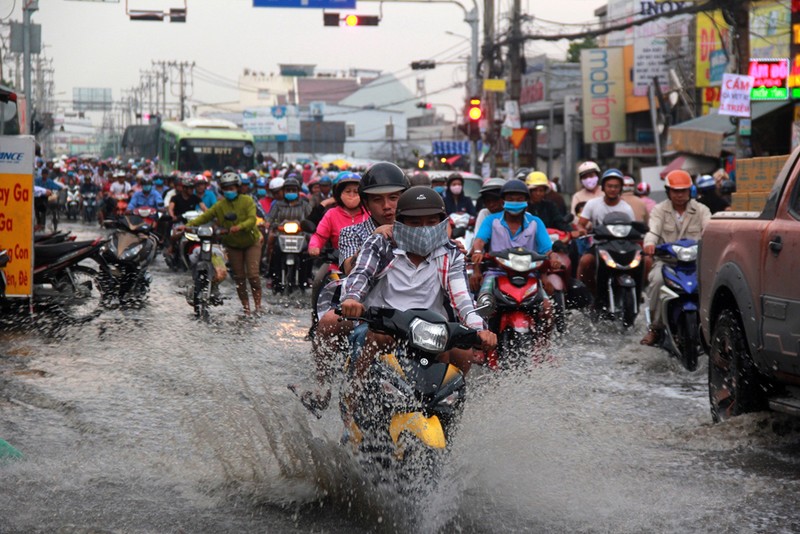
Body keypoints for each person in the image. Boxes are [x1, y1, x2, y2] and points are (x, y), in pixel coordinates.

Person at [339, 186, 497, 420]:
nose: (424, 229)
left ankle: (445, 415)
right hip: (382, 326)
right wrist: (352, 299)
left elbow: (462, 298)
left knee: (461, 354)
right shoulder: (381, 244)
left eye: (431, 222)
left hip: (430, 330)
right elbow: (361, 273)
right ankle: (353, 401)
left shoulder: (450, 252)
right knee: (379, 339)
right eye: (415, 222)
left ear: (442, 223)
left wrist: (480, 329)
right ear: (400, 222)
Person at [296, 162, 410, 414]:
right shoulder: (351, 231)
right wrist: (376, 239)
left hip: (416, 313)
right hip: (367, 311)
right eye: (378, 200)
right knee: (327, 322)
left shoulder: (420, 228)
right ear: (366, 204)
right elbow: (349, 267)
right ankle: (323, 388)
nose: (387, 206)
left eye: (394, 198)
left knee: (461, 352)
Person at [640, 170, 711, 346]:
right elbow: (653, 231)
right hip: (667, 262)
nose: (679, 195)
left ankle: (711, 325)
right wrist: (649, 244)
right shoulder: (659, 210)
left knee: (713, 283)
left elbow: (709, 230)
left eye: (683, 190)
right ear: (668, 192)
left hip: (695, 264)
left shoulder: (701, 210)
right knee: (656, 281)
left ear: (690, 191)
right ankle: (655, 328)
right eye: (675, 191)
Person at [187, 172, 264, 316]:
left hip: (251, 242)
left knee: (253, 275)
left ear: (238, 187)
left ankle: (258, 306)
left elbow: (252, 220)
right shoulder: (220, 206)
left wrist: (239, 227)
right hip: (233, 244)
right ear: (222, 189)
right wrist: (188, 225)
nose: (230, 190)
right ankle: (246, 308)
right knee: (239, 278)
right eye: (226, 188)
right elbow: (205, 216)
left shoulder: (247, 201)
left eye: (232, 187)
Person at [471, 179, 557, 304]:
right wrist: (478, 252)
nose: (515, 202)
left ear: (527, 202)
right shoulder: (491, 220)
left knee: (547, 308)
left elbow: (547, 250)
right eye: (510, 199)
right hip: (496, 273)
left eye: (519, 199)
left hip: (529, 274)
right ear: (502, 201)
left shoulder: (535, 222)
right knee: (483, 303)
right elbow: (479, 240)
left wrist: (553, 259)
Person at [575, 169, 635, 295]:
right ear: (603, 187)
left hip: (621, 248)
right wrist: (581, 230)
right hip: (599, 246)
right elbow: (581, 223)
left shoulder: (626, 208)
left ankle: (637, 292)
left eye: (616, 186)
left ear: (621, 189)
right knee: (585, 261)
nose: (613, 189)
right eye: (609, 186)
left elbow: (632, 229)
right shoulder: (592, 204)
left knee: (640, 261)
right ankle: (589, 293)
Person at [266, 177, 313, 292]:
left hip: (301, 235)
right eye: (288, 190)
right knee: (275, 251)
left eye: (293, 190)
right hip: (281, 234)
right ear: (284, 191)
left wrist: (307, 226)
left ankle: (307, 276)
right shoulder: (278, 205)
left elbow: (312, 219)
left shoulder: (304, 205)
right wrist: (271, 225)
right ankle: (272, 276)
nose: (290, 192)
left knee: (308, 251)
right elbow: (269, 219)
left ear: (298, 191)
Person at [308, 173, 369, 257]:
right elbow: (319, 236)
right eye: (348, 191)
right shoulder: (331, 214)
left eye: (356, 192)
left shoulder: (370, 213)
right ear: (340, 194)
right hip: (337, 264)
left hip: (367, 263)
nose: (352, 195)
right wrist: (314, 246)